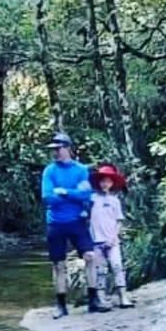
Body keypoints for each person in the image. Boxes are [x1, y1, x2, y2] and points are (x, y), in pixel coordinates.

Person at [41, 132, 104, 318]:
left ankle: (93, 300)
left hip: (77, 221)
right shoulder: (49, 171)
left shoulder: (81, 170)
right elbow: (48, 197)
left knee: (90, 256)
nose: (55, 152)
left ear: (68, 148)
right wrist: (73, 194)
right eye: (53, 150)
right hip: (56, 222)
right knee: (58, 264)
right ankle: (61, 305)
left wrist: (64, 192)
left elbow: (86, 194)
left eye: (58, 149)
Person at [89, 163, 133, 308]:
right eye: (102, 181)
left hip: (112, 240)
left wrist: (113, 237)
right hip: (96, 240)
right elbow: (86, 217)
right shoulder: (92, 199)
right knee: (100, 270)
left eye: (108, 181)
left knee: (117, 266)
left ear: (112, 183)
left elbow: (119, 221)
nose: (105, 184)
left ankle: (123, 297)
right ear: (98, 182)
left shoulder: (115, 201)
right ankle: (101, 299)